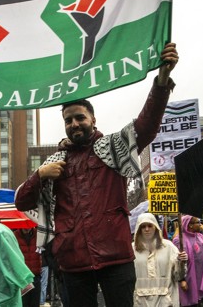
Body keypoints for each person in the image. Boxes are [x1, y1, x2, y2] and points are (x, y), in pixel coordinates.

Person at [15, 43, 179, 307]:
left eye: (80, 117)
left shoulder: (113, 148)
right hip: (72, 262)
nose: (74, 124)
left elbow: (146, 126)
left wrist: (160, 81)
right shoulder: (56, 163)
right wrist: (40, 174)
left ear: (93, 118)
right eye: (68, 120)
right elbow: (21, 201)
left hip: (116, 257)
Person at [132, 213, 188, 307]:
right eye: (143, 226)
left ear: (155, 227)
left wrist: (181, 263)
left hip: (166, 300)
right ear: (138, 229)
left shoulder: (169, 247)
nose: (147, 229)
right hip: (141, 301)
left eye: (150, 226)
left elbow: (178, 276)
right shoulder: (132, 249)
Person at [172, 215, 203, 307]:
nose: (200, 225)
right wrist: (182, 280)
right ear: (190, 225)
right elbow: (176, 262)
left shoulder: (201, 237)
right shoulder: (179, 240)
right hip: (189, 278)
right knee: (191, 303)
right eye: (198, 222)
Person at [15, 227, 43, 307]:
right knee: (24, 303)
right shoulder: (15, 235)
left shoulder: (38, 234)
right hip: (23, 277)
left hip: (36, 276)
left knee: (35, 303)